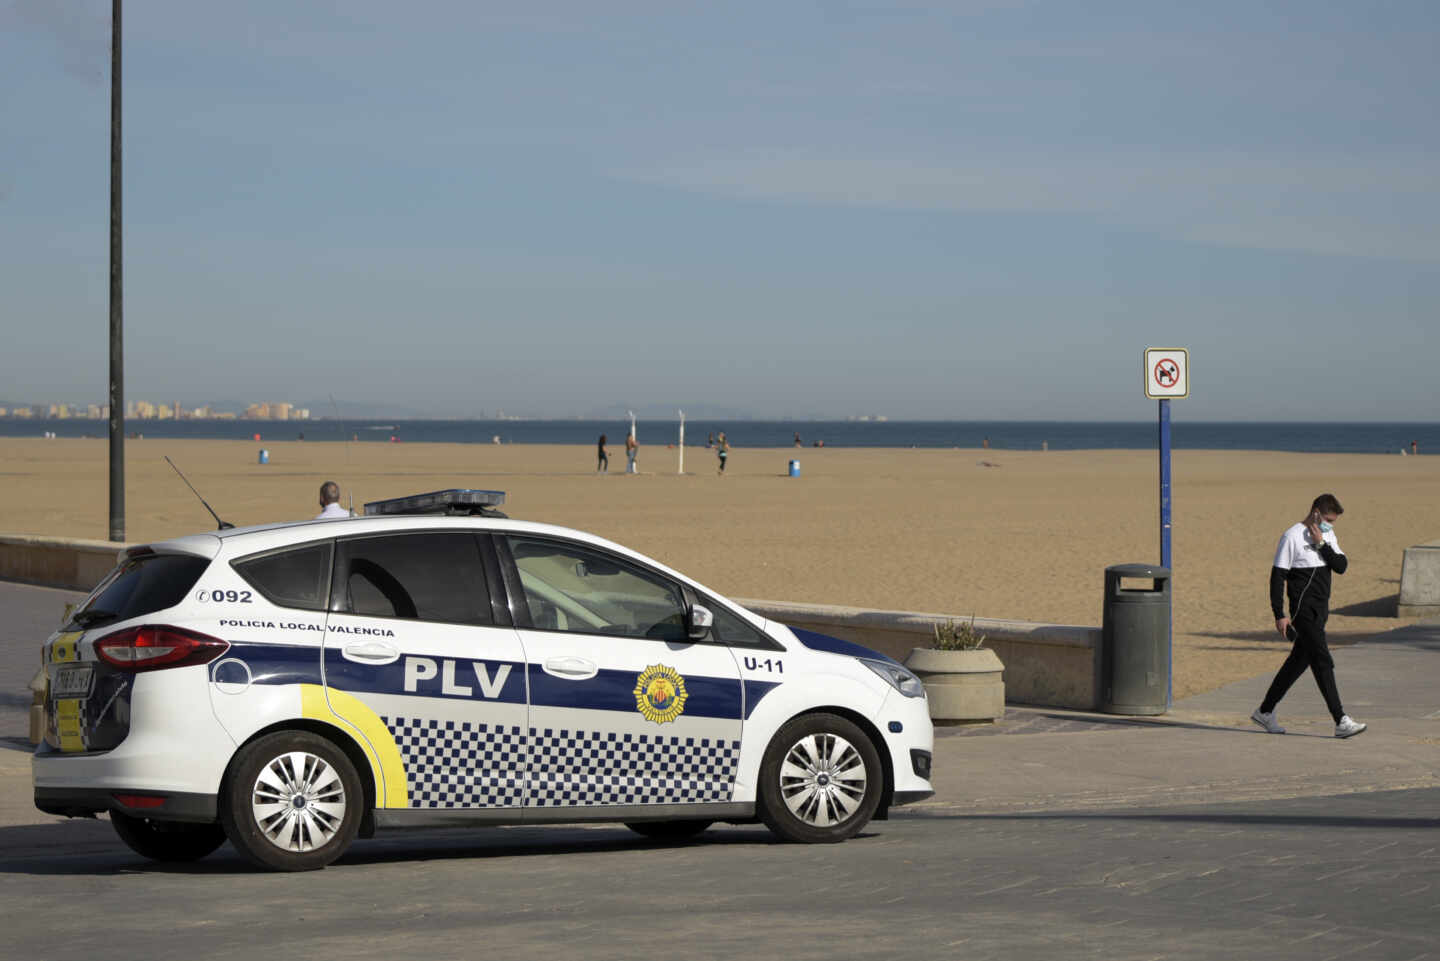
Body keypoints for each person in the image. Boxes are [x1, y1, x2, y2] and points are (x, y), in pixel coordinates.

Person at [1251, 493, 1366, 738]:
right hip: (1302, 613)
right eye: (1327, 519)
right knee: (1323, 661)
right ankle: (1340, 720)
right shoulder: (1291, 536)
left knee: (1297, 663)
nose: (1329, 524)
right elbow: (1277, 577)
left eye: (1332, 521)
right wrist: (1279, 614)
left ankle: (1265, 710)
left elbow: (1341, 566)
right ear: (1315, 512)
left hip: (1321, 611)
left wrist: (1321, 543)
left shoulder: (1327, 536)